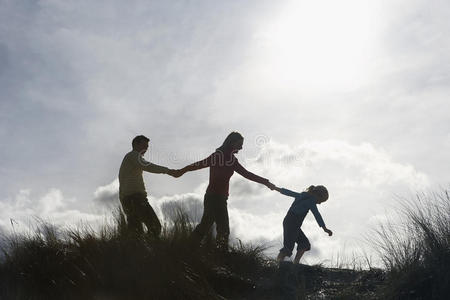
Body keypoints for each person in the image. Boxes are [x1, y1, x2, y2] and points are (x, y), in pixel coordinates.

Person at [178, 132, 275, 250]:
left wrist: (266, 182)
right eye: (240, 144)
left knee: (224, 229)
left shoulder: (232, 161)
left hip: (222, 198)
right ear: (232, 143)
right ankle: (187, 248)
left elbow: (247, 174)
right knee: (206, 225)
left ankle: (220, 254)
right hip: (212, 197)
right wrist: (182, 170)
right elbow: (198, 165)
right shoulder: (217, 156)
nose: (241, 147)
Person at [118, 135, 180, 236]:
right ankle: (152, 249)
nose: (146, 148)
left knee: (136, 233)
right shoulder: (133, 155)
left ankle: (139, 250)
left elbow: (121, 184)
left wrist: (124, 203)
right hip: (136, 199)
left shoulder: (130, 159)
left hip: (128, 200)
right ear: (136, 144)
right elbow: (148, 166)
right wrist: (168, 171)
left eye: (147, 146)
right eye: (144, 145)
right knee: (155, 227)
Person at [273, 185, 332, 263]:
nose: (320, 203)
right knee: (288, 247)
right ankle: (278, 263)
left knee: (304, 243)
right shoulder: (311, 200)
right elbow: (317, 214)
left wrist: (275, 188)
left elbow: (288, 192)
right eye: (321, 200)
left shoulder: (301, 195)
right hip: (292, 223)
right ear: (317, 195)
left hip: (291, 223)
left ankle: (295, 263)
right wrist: (325, 228)